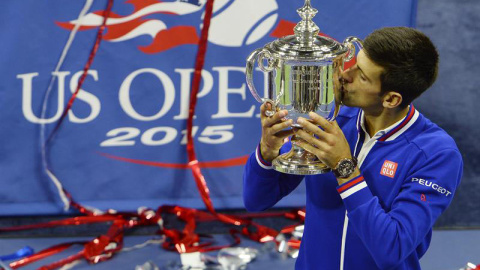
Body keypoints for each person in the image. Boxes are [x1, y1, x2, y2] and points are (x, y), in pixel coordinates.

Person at [243, 27, 463, 270]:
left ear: (391, 99)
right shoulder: (332, 119)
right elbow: (256, 200)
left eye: (363, 76)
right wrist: (268, 150)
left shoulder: (437, 154)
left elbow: (392, 248)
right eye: (354, 64)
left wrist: (344, 167)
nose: (346, 75)